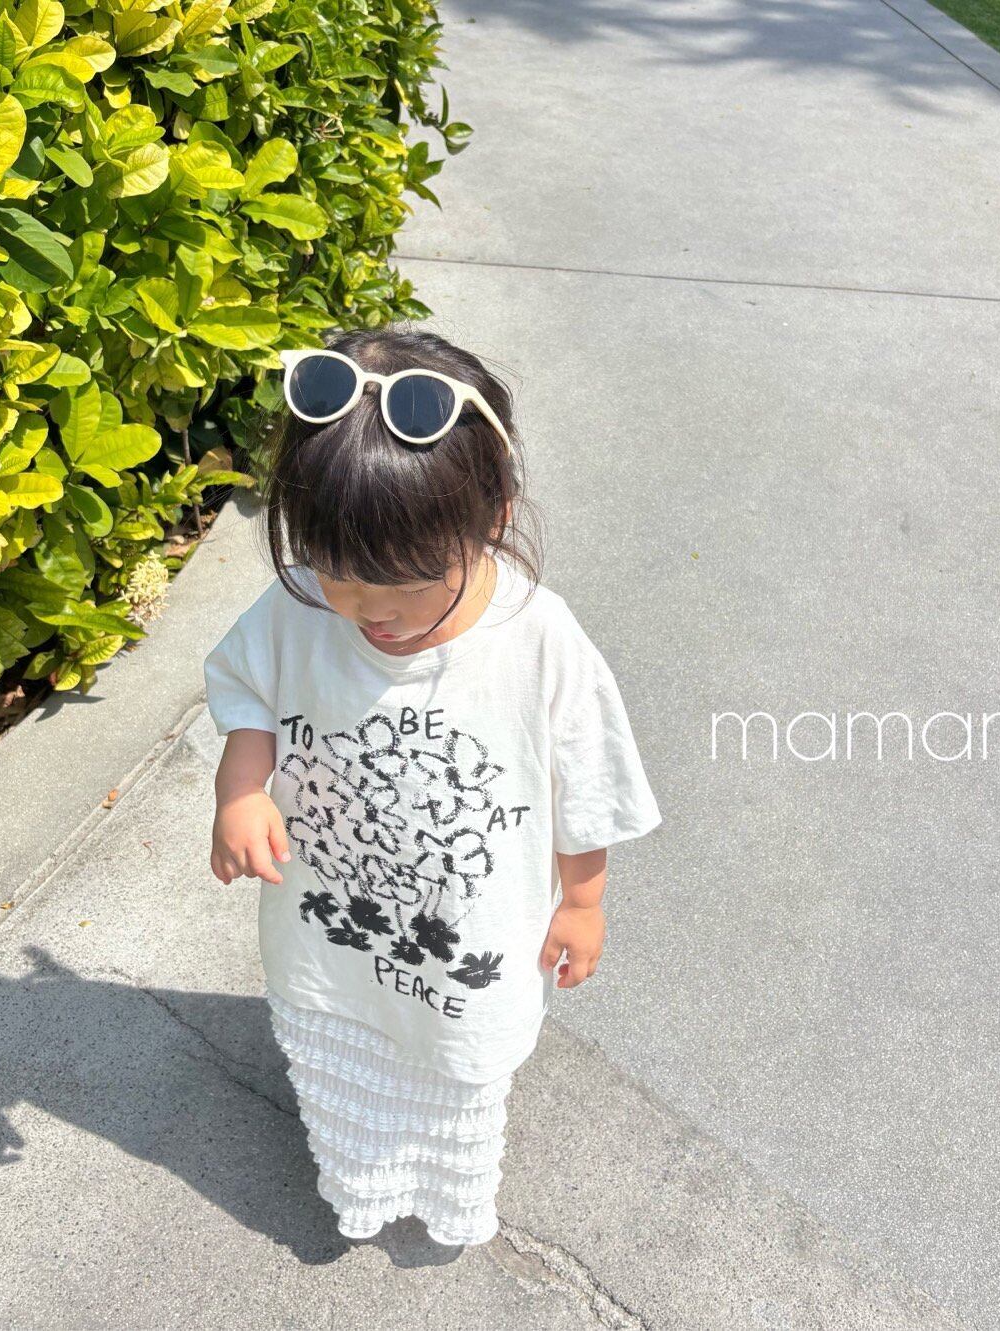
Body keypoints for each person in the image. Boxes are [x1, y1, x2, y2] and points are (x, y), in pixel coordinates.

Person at [202, 323, 663, 1248]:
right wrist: (241, 788)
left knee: (451, 1075)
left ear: (491, 516)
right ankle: (358, 1179)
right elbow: (249, 687)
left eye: (408, 583)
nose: (370, 610)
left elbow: (589, 785)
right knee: (341, 1060)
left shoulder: (539, 641)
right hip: (330, 934)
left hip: (464, 949)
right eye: (340, 574)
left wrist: (583, 903)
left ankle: (442, 1192)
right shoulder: (299, 606)